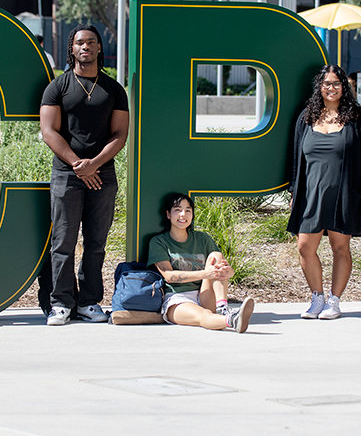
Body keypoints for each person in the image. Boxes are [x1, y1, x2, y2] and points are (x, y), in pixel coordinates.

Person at [40, 25, 129, 326]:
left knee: (96, 243)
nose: (86, 47)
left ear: (100, 48)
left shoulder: (113, 89)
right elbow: (49, 131)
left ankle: (89, 302)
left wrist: (95, 164)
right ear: (72, 49)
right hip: (67, 174)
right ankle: (61, 303)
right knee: (63, 242)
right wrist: (80, 164)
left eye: (92, 42)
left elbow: (120, 134)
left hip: (102, 176)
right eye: (80, 42)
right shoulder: (59, 86)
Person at [287, 64, 361, 320]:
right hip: (310, 194)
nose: (331, 88)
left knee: (340, 248)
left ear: (344, 87)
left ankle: (334, 301)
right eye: (327, 84)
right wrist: (294, 191)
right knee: (305, 246)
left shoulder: (358, 118)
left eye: (336, 84)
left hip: (344, 192)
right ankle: (317, 298)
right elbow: (296, 159)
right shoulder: (306, 117)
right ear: (320, 86)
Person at [149, 193, 255, 332]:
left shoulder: (202, 238)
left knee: (216, 255)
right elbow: (169, 276)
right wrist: (205, 273)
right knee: (204, 316)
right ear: (168, 215)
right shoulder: (159, 242)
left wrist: (229, 272)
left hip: (204, 294)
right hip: (178, 298)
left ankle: (222, 307)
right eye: (178, 210)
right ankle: (231, 320)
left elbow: (219, 269)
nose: (183, 214)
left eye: (188, 210)